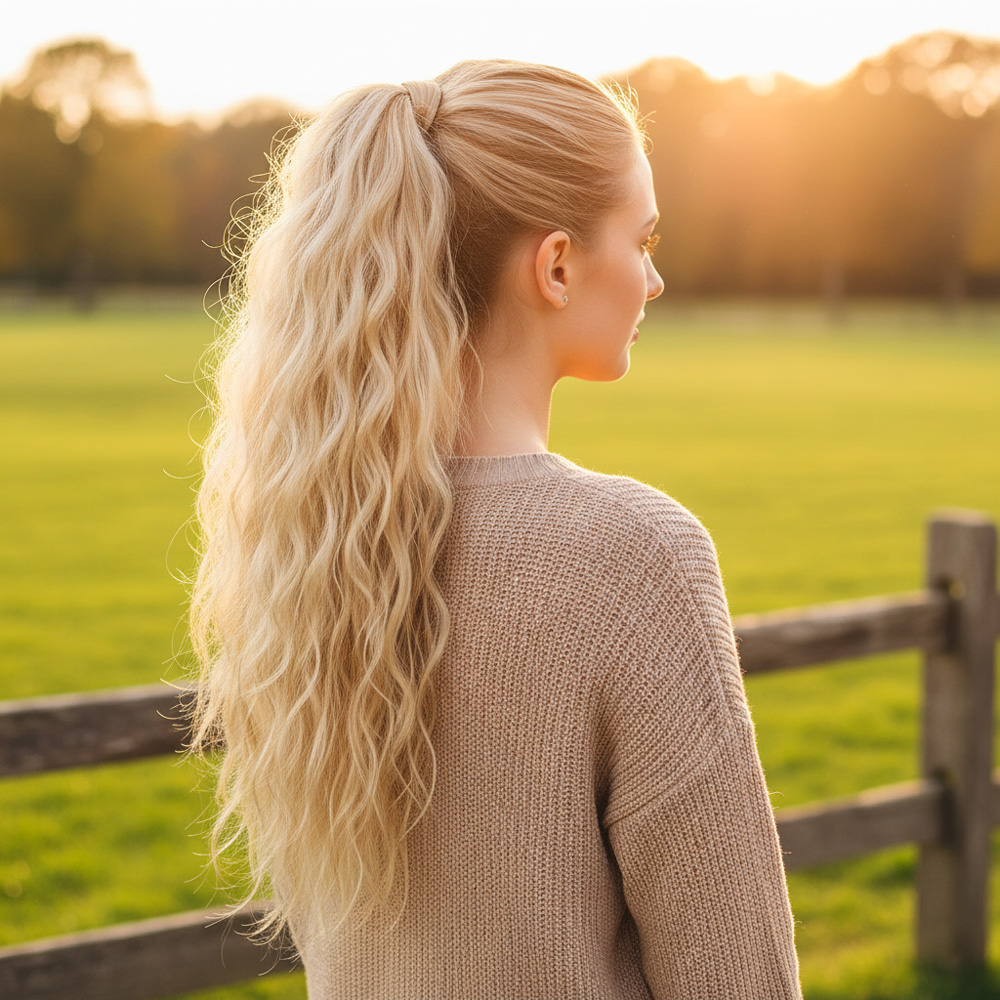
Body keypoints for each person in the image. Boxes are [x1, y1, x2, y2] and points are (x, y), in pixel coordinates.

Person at [188, 58, 803, 999]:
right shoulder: (634, 558)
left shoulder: (310, 545)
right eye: (641, 240)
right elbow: (740, 979)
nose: (656, 277)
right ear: (557, 265)